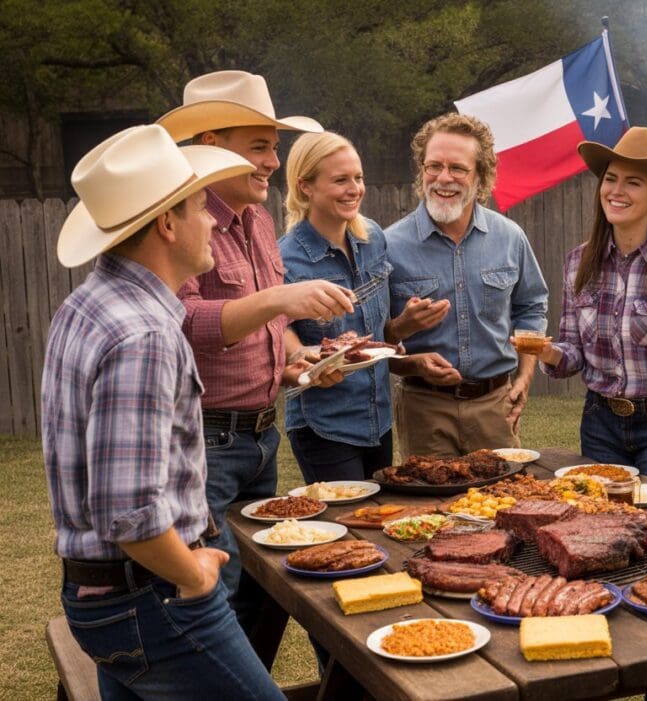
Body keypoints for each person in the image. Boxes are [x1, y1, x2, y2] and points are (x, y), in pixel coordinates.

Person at [42, 124, 284, 700]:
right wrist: (194, 572)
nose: (211, 222)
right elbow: (129, 513)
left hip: (107, 598)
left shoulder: (89, 303)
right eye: (201, 207)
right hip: (153, 598)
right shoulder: (144, 333)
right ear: (167, 224)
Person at [156, 70, 354, 637]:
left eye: (274, 146)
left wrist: (292, 369)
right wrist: (277, 299)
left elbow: (254, 332)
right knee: (209, 591)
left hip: (263, 436)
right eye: (260, 147)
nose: (273, 161)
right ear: (211, 148)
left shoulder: (260, 218)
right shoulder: (180, 219)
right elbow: (182, 322)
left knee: (263, 592)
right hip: (208, 442)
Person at [529, 127, 647, 497]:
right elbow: (573, 353)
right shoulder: (579, 262)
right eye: (610, 179)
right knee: (601, 528)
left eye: (633, 183)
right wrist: (546, 352)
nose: (616, 190)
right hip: (600, 423)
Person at [279, 130, 449, 482]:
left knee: (376, 519)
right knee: (348, 526)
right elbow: (278, 331)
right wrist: (300, 357)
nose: (354, 188)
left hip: (378, 418)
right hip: (324, 425)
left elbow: (374, 337)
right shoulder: (286, 258)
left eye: (358, 178)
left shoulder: (372, 238)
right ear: (305, 186)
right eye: (340, 180)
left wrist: (406, 326)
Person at [386, 112, 548, 457]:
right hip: (423, 409)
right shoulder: (388, 246)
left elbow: (531, 308)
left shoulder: (510, 238)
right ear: (421, 171)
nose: (444, 178)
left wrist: (524, 377)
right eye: (433, 166)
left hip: (494, 406)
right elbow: (373, 339)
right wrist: (409, 354)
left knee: (500, 505)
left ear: (481, 177)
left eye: (458, 168)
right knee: (429, 507)